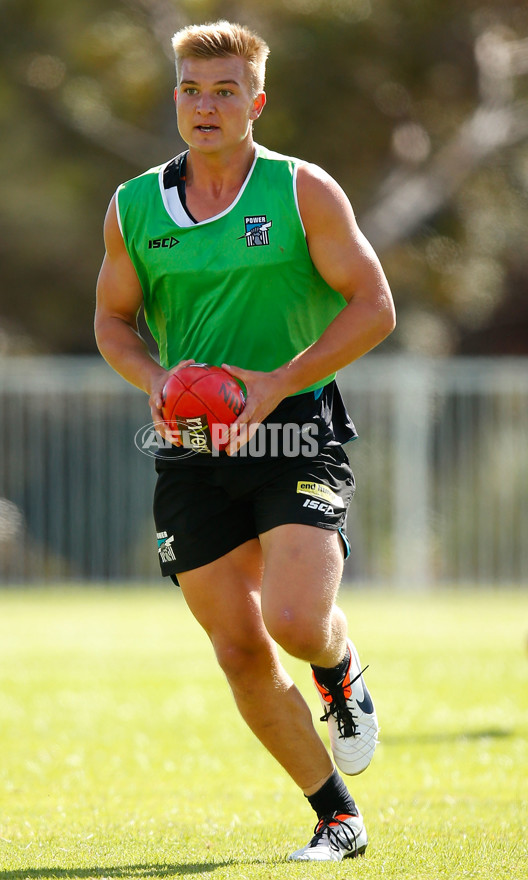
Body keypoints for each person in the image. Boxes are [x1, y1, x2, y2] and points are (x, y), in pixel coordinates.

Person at [95, 20, 395, 862]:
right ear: (177, 100)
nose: (206, 105)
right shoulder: (133, 206)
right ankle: (337, 817)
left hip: (293, 428)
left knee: (298, 622)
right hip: (191, 444)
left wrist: (271, 385)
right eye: (191, 90)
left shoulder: (302, 190)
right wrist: (154, 380)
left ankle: (338, 670)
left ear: (256, 102)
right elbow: (113, 320)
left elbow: (375, 308)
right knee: (238, 647)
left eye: (226, 90)